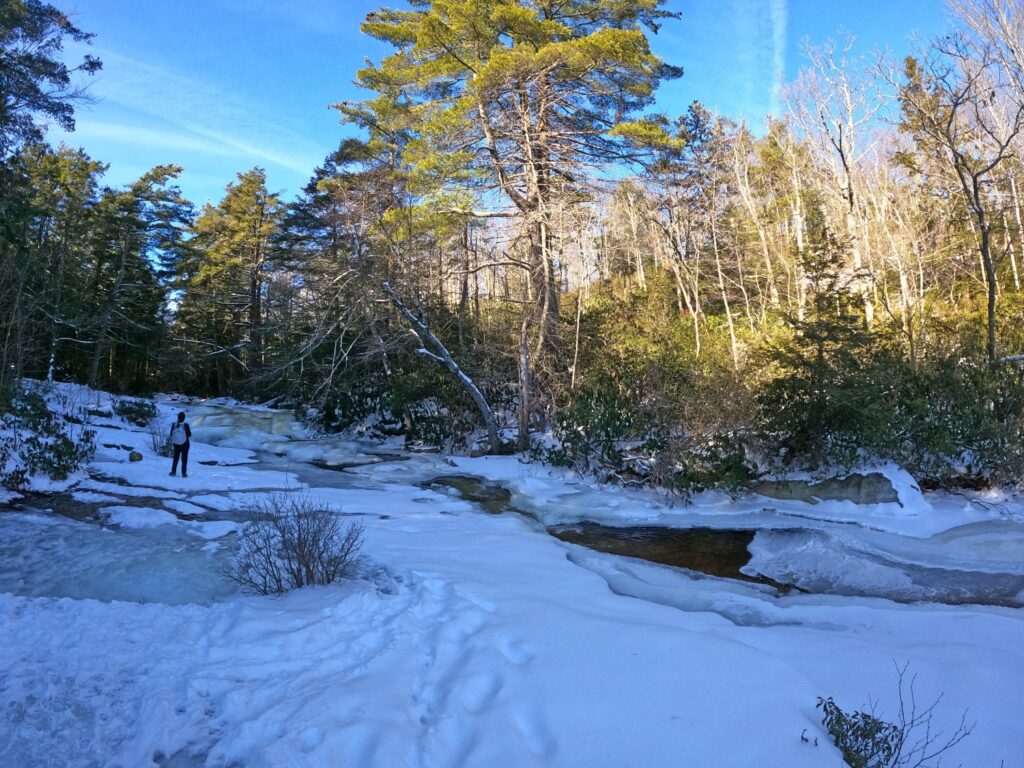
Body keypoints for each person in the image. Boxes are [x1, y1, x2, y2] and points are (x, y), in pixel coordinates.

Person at [168, 411, 192, 478]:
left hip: (176, 444)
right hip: (185, 444)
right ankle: (184, 474)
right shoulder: (186, 425)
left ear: (178, 417)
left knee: (175, 458)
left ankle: (173, 472)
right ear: (184, 418)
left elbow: (171, 434)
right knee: (184, 459)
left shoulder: (174, 425)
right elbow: (189, 434)